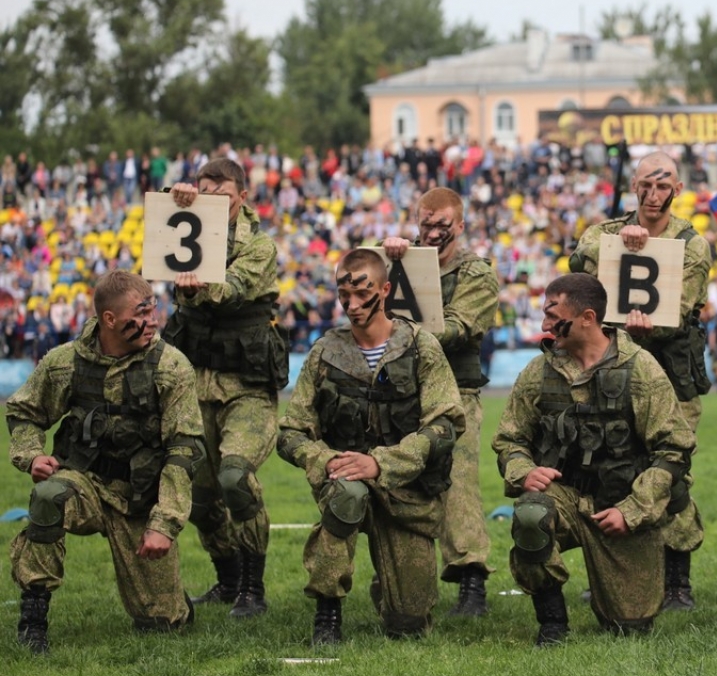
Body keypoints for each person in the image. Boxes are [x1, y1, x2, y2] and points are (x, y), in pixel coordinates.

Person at [7, 270, 206, 653]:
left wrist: (164, 524)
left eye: (153, 310)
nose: (152, 322)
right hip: (84, 483)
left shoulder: (171, 366)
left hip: (140, 498)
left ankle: (171, 602)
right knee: (49, 496)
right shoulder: (64, 362)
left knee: (164, 624)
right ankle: (33, 620)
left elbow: (184, 450)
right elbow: (24, 411)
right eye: (140, 314)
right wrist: (31, 455)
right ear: (109, 320)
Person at [492, 273, 695, 645]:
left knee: (629, 625)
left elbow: (674, 450)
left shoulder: (640, 369)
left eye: (553, 315)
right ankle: (552, 623)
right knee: (531, 514)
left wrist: (632, 511)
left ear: (587, 317)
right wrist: (524, 471)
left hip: (621, 505)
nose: (545, 325)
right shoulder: (540, 371)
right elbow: (509, 439)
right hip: (564, 496)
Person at [277, 249, 465, 644]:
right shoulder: (326, 351)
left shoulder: (420, 347)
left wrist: (381, 464)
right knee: (346, 495)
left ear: (386, 290)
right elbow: (290, 431)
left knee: (410, 623)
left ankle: (392, 587)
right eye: (345, 295)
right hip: (344, 478)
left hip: (406, 488)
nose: (353, 305)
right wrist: (326, 461)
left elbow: (446, 424)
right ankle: (327, 613)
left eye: (364, 294)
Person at [568, 150, 712, 611]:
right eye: (646, 186)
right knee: (605, 467)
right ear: (634, 187)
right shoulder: (607, 232)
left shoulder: (693, 243)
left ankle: (677, 579)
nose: (654, 195)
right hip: (612, 374)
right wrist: (617, 242)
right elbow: (577, 260)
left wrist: (644, 324)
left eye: (663, 185)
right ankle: (607, 569)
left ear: (677, 190)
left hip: (671, 372)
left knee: (672, 472)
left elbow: (679, 309)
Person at [164, 158, 289, 619]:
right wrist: (170, 196)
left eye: (221, 186)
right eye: (203, 186)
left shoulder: (259, 246)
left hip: (246, 387)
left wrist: (198, 287)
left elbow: (230, 289)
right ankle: (227, 577)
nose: (211, 193)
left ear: (242, 194)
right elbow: (164, 237)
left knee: (235, 477)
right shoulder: (184, 227)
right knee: (197, 497)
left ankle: (253, 587)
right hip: (193, 383)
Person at [383, 187, 498, 616]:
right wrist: (386, 254)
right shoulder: (402, 263)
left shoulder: (476, 273)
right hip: (404, 392)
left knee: (459, 485)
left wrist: (407, 333)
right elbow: (361, 288)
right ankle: (401, 577)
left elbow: (461, 326)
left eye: (441, 226)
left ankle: (472, 582)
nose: (431, 233)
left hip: (456, 391)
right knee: (399, 481)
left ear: (461, 226)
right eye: (424, 224)